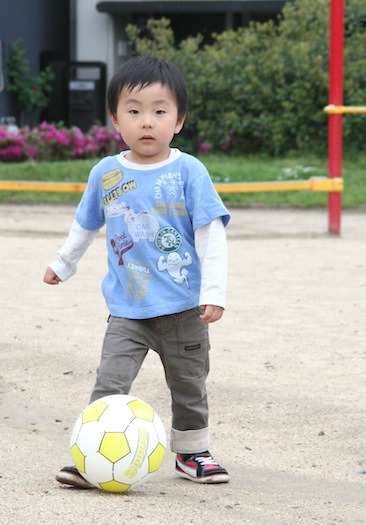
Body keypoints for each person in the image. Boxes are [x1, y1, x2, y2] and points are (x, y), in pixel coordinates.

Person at [43, 56, 231, 487]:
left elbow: (211, 234)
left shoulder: (189, 171)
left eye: (159, 111)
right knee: (109, 381)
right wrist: (63, 263)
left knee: (189, 385)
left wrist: (214, 291)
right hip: (127, 309)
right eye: (134, 110)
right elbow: (86, 224)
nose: (147, 121)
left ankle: (192, 453)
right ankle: (90, 454)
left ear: (179, 120)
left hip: (184, 309)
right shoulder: (106, 173)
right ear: (114, 118)